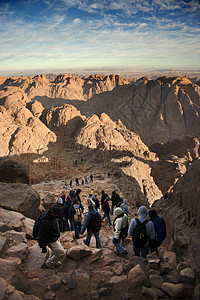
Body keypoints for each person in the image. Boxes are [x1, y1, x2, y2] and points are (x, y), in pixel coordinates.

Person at [38, 204, 66, 269]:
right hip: (50, 240)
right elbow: (42, 234)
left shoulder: (51, 216)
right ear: (53, 213)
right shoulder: (45, 221)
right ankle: (48, 265)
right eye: (57, 214)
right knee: (62, 253)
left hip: (54, 237)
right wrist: (43, 247)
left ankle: (52, 263)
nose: (58, 215)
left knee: (54, 252)